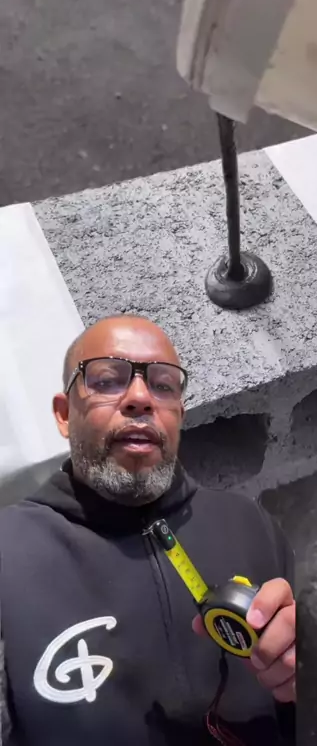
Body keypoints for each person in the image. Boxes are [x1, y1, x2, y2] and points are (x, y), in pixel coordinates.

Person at [0, 315, 296, 746]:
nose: (140, 398)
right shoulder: (9, 549)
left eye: (163, 385)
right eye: (106, 380)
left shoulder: (251, 523)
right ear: (64, 415)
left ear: (180, 415)